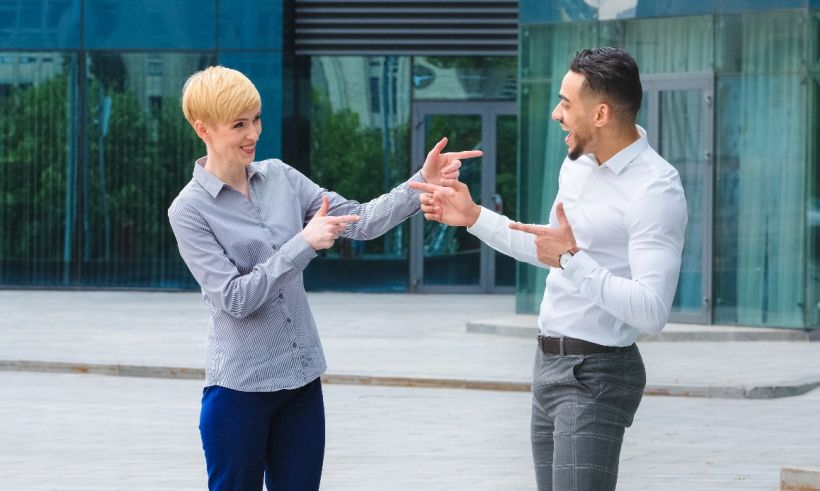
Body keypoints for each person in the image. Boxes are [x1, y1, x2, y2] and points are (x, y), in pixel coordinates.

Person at [167, 65, 481, 491]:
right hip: (240, 392)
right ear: (202, 128)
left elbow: (362, 220)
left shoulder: (281, 177)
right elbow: (235, 299)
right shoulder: (189, 210)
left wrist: (421, 183)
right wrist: (303, 243)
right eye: (238, 125)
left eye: (256, 119)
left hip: (301, 380)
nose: (252, 133)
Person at [411, 47, 688, 490]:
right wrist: (473, 216)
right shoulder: (577, 165)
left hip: (596, 372)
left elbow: (651, 311)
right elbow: (548, 247)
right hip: (548, 364)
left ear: (600, 113)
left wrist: (570, 261)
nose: (556, 114)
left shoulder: (655, 189)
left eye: (565, 103)